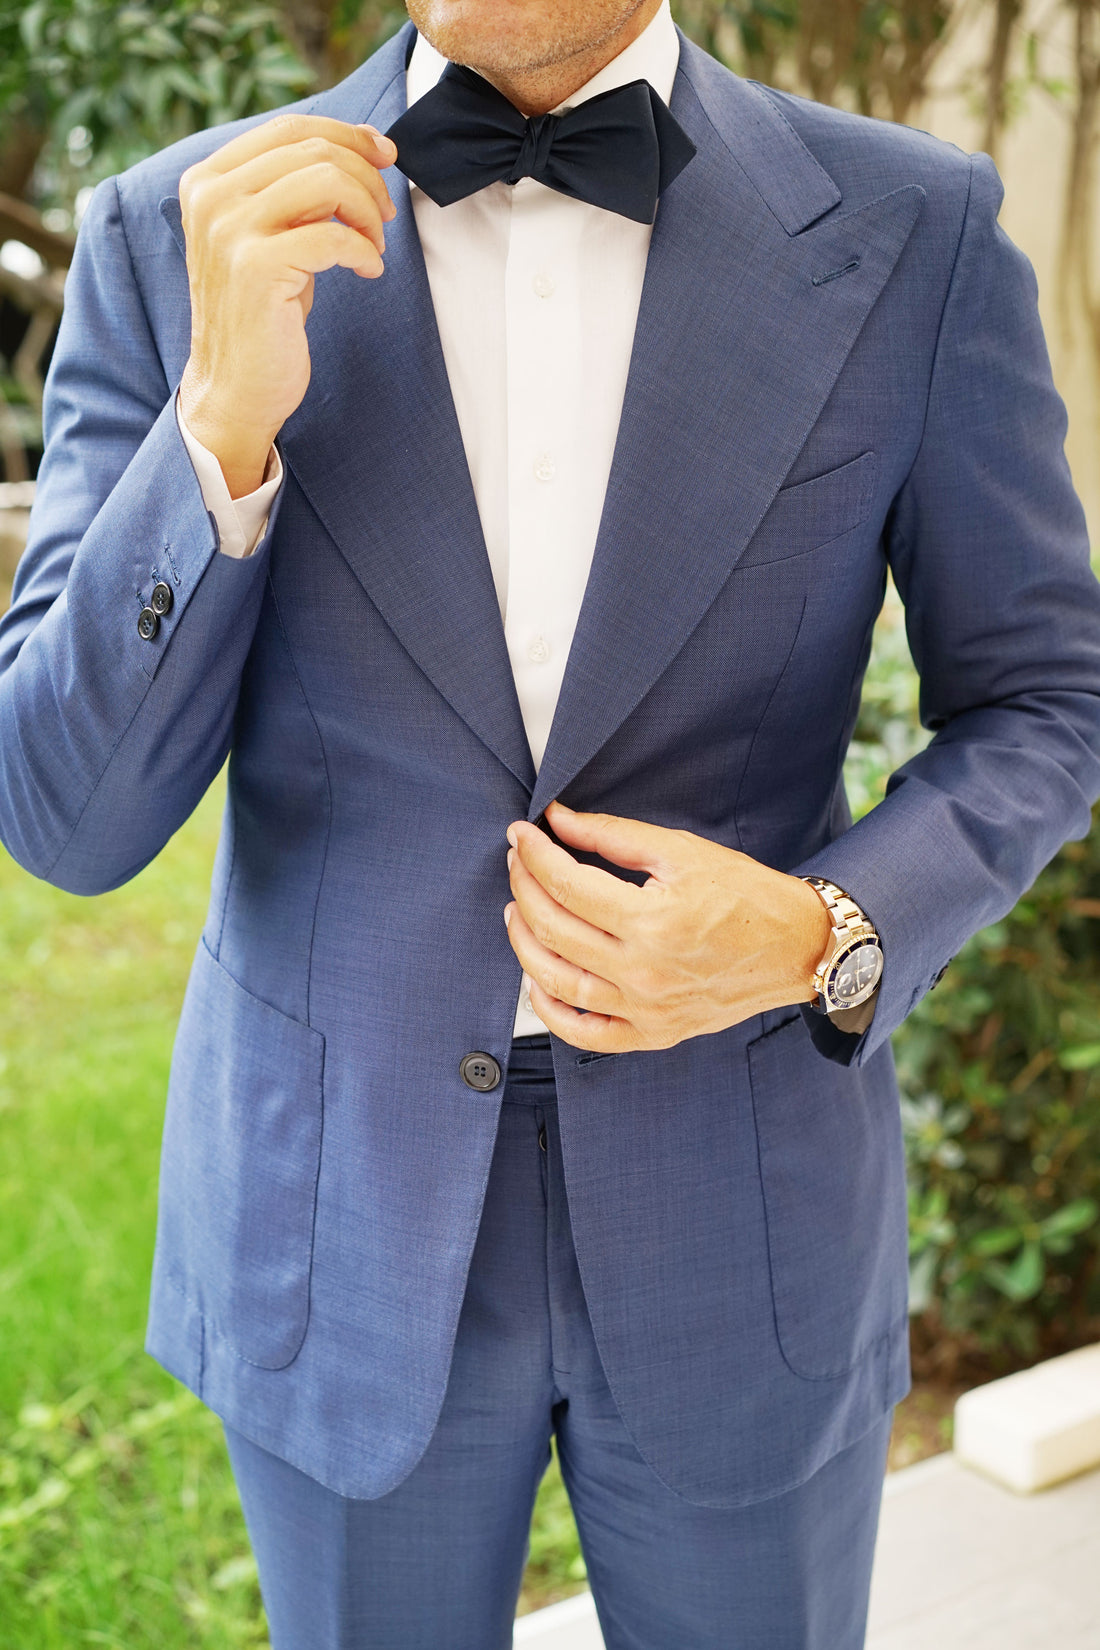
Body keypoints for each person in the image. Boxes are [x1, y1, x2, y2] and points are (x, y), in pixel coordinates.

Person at [2, 0, 1099, 1643]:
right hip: (339, 1220)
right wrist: (217, 421)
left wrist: (821, 931)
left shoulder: (912, 229)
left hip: (747, 1219)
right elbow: (63, 816)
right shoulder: (176, 233)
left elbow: (1044, 700)